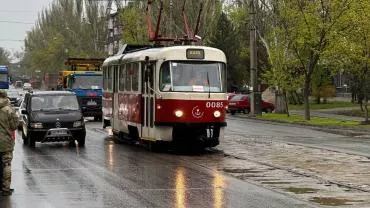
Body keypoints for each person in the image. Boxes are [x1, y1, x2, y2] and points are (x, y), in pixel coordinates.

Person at [0, 90, 18, 196]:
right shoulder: (8, 110)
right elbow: (14, 126)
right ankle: (5, 189)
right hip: (5, 142)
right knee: (6, 164)